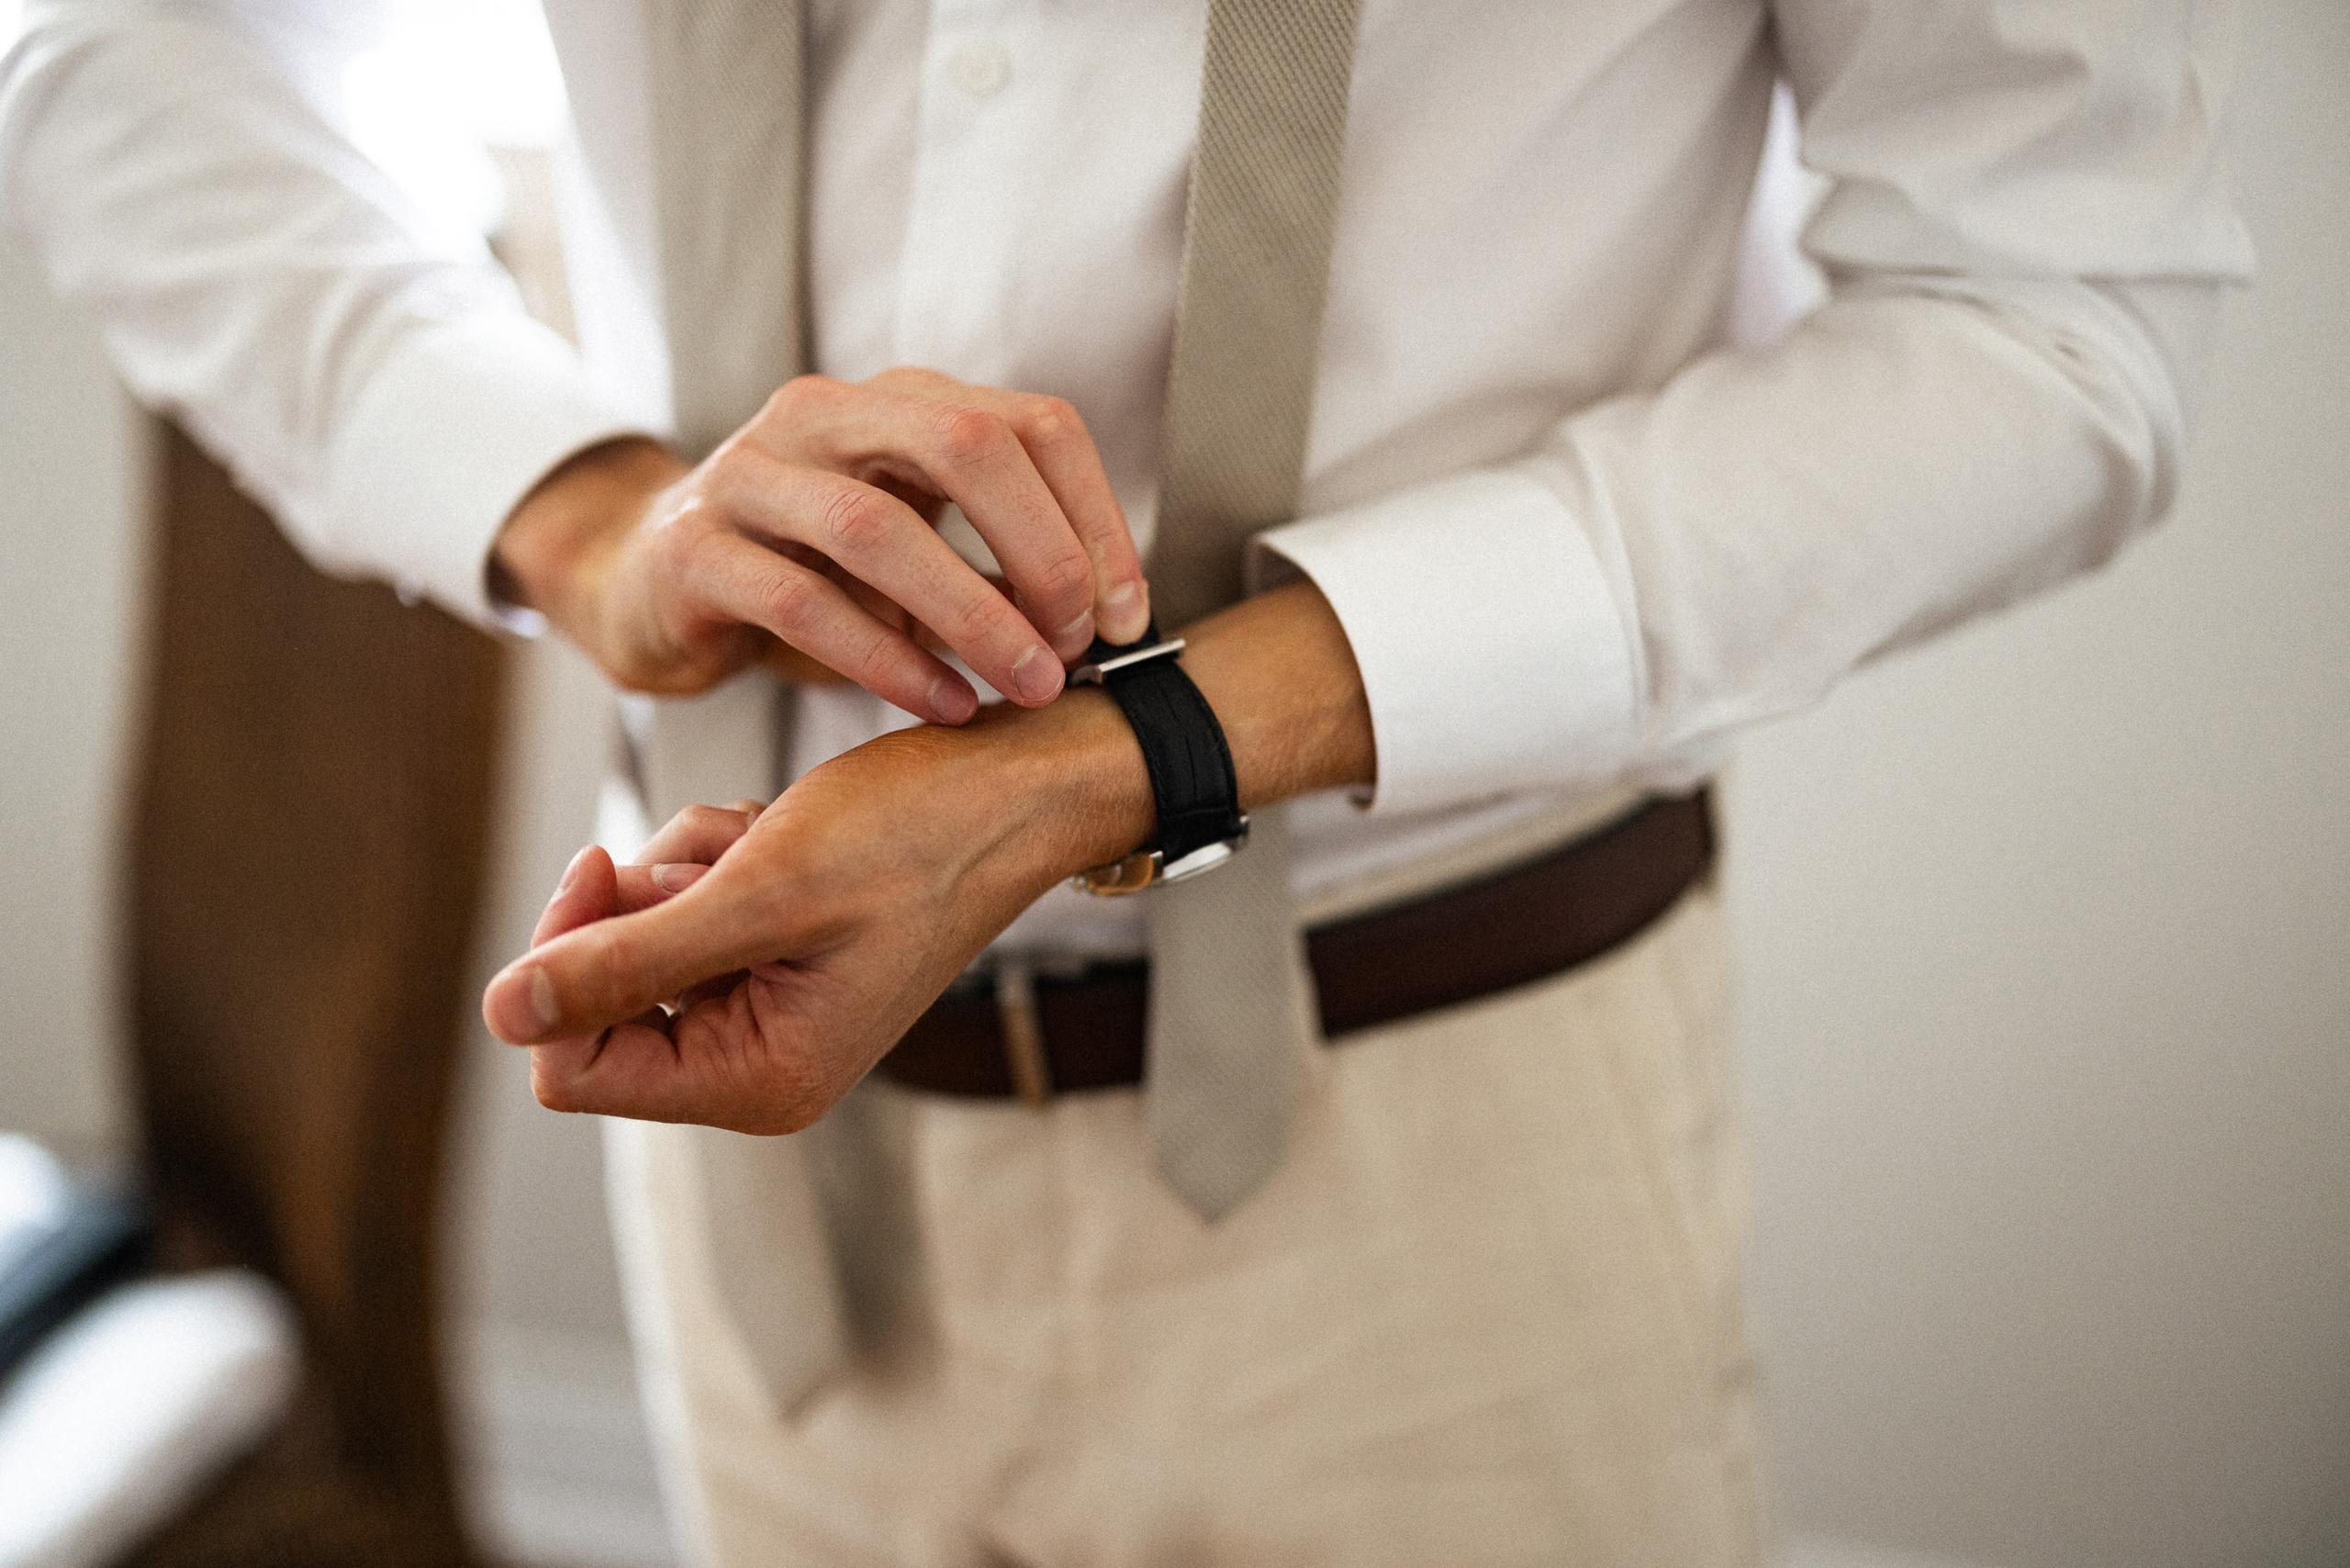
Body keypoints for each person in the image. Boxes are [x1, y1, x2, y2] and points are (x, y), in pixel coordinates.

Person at [1, 1, 2251, 1561]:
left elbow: (2051, 310)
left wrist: (1130, 754)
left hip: (1440, 1161)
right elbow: (138, 41)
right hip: (752, 1171)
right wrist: (585, 514)